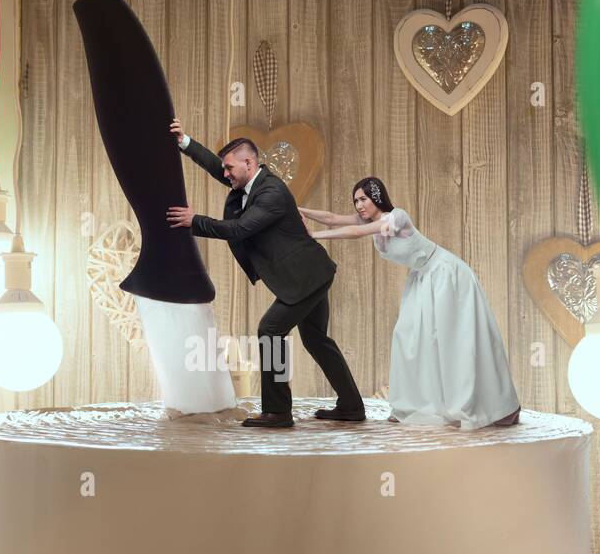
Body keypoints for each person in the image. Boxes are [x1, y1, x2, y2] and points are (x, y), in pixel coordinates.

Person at [167, 120, 365, 428]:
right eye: (226, 169)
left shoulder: (272, 192)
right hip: (312, 272)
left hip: (304, 278)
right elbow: (215, 167)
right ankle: (351, 406)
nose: (226, 173)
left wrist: (194, 221)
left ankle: (277, 412)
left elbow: (240, 228)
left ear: (249, 163)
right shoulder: (247, 182)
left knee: (270, 331)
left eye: (231, 168)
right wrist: (185, 143)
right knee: (316, 340)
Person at [301, 177, 521, 429]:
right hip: (422, 278)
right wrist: (297, 209)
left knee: (456, 339)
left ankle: (495, 406)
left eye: (363, 199)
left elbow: (355, 233)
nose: (359, 206)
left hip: (445, 273)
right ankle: (413, 404)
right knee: (408, 337)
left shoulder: (397, 217)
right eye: (355, 201)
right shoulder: (369, 220)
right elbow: (332, 218)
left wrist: (313, 236)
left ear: (377, 197)